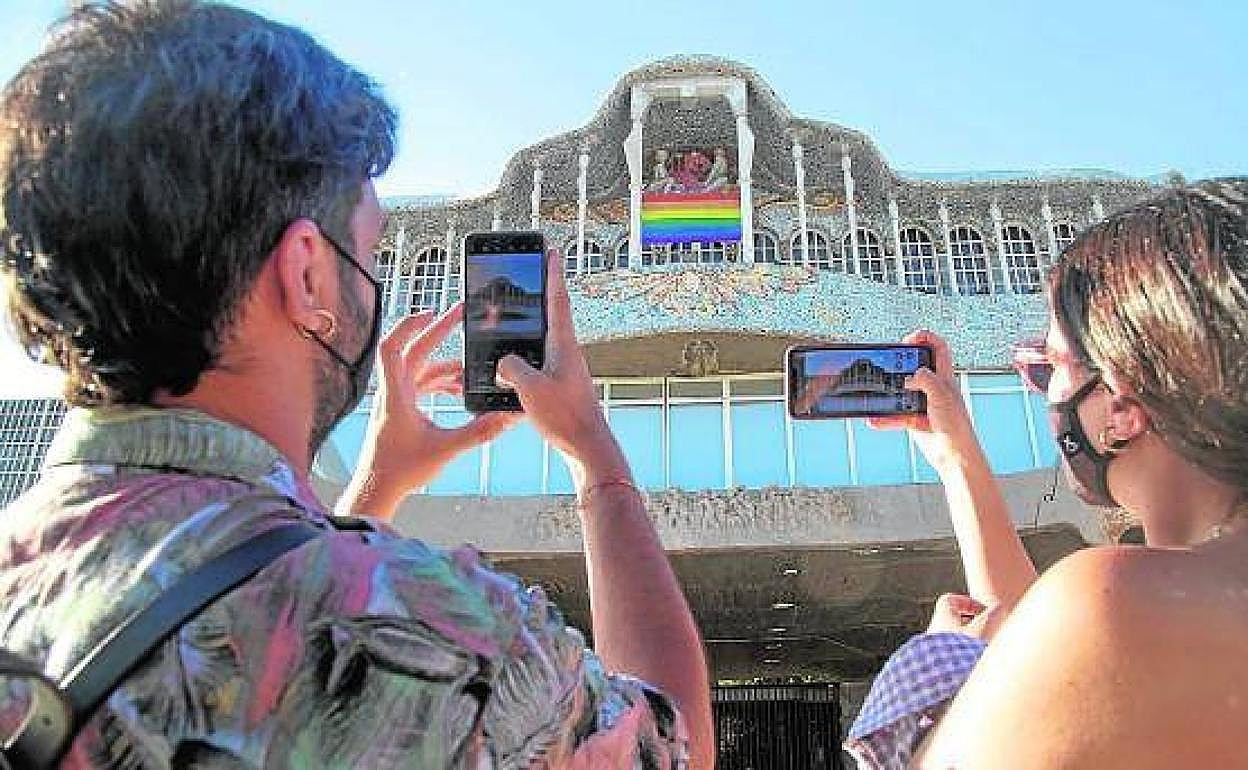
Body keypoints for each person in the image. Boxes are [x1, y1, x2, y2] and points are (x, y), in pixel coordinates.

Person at [0, 2, 714, 768]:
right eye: (369, 252)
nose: (369, 287)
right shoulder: (447, 636)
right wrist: (596, 462)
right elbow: (674, 749)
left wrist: (369, 493)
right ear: (307, 272)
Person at [846, 178, 1248, 768]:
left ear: (1119, 405)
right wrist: (958, 456)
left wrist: (942, 664)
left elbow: (1058, 645)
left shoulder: (1114, 604)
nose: (1045, 391)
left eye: (1050, 365)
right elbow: (1043, 648)